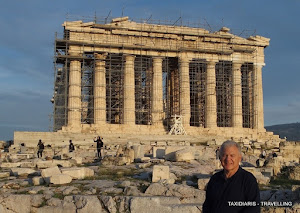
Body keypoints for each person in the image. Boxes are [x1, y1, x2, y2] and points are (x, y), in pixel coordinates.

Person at [203, 140, 260, 213]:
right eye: (224, 155)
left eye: (232, 155)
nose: (228, 159)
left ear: (239, 158)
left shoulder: (248, 180)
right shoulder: (214, 179)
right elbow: (207, 205)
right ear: (220, 158)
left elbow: (253, 209)